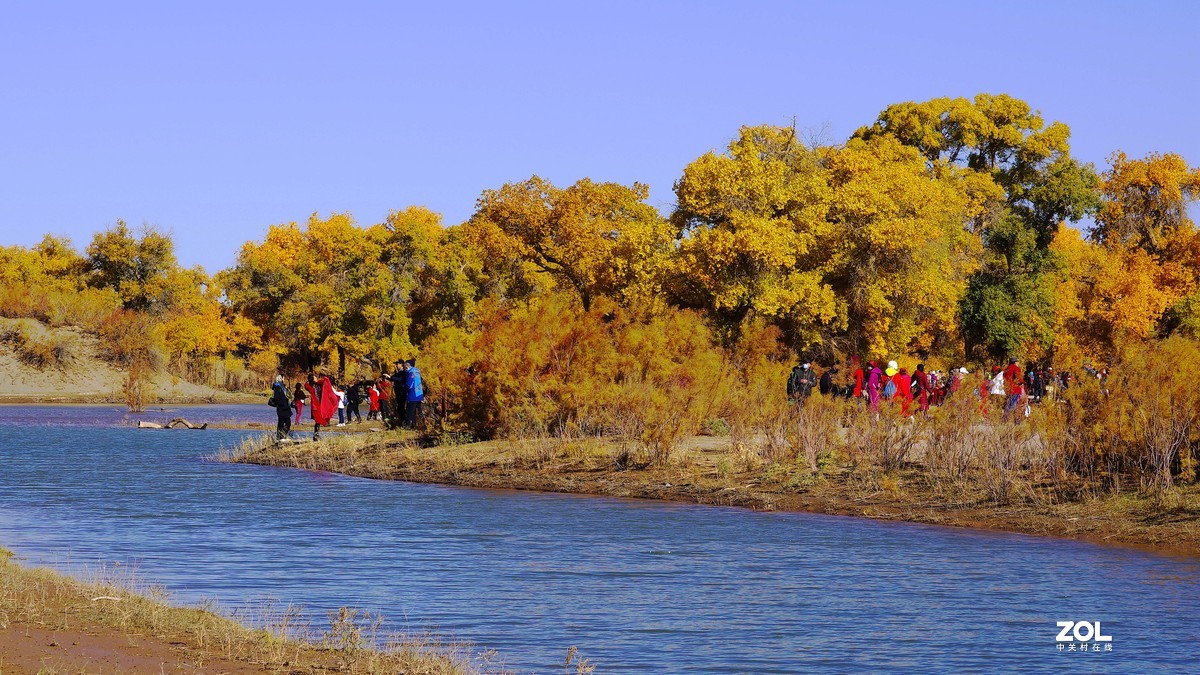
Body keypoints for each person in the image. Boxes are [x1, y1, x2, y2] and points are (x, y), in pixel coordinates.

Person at [269, 375, 292, 441]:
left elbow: (288, 396)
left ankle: (282, 436)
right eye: (283, 378)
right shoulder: (277, 387)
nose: (284, 379)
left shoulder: (283, 386)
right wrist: (281, 403)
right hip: (282, 407)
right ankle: (280, 437)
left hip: (285, 407)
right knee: (282, 422)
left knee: (287, 422)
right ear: (281, 378)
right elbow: (277, 398)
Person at [405, 358, 425, 428]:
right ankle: (423, 425)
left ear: (407, 366)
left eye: (405, 368)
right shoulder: (417, 372)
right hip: (419, 394)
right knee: (419, 411)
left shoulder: (411, 373)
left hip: (412, 394)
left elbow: (409, 385)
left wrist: (404, 388)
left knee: (410, 411)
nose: (405, 369)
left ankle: (407, 425)